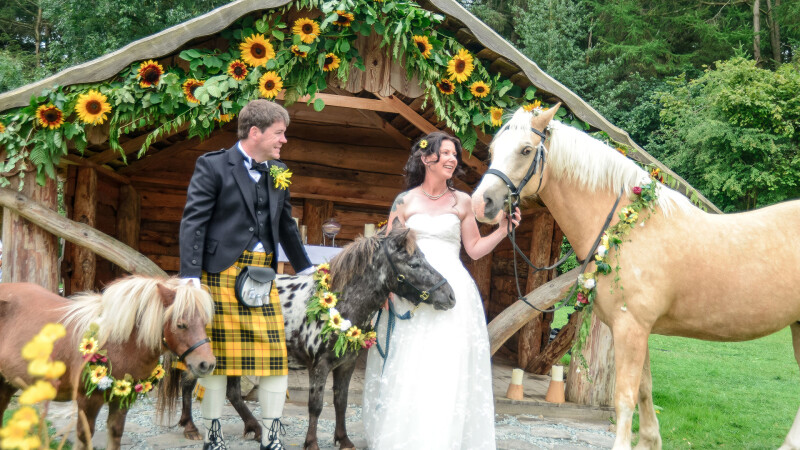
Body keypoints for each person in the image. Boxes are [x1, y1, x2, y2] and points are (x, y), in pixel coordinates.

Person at [363, 131, 521, 449]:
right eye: (445, 153)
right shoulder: (405, 201)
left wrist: (504, 230)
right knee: (410, 365)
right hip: (410, 292)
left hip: (454, 292)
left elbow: (474, 249)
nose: (452, 159)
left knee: (446, 366)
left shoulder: (462, 201)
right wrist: (385, 288)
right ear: (426, 158)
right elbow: (388, 252)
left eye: (454, 154)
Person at [179, 99, 312, 450]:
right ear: (255, 132)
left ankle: (272, 437)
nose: (284, 140)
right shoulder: (213, 166)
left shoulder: (279, 170)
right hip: (219, 273)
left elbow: (286, 225)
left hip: (261, 277)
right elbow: (194, 221)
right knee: (218, 362)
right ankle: (213, 437)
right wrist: (190, 275)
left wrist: (307, 270)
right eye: (279, 133)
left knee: (275, 359)